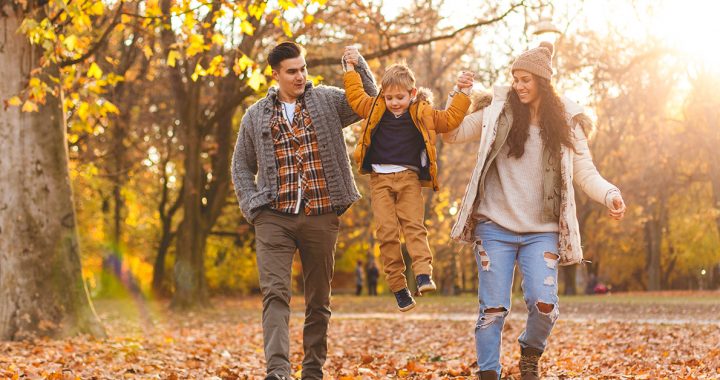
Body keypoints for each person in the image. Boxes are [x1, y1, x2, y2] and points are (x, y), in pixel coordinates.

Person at [441, 42, 626, 379]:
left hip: (542, 231)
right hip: (493, 227)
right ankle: (488, 373)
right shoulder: (497, 113)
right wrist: (460, 94)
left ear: (543, 81)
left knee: (545, 305)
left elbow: (585, 172)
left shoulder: (568, 124)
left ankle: (530, 352)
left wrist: (610, 193)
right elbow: (452, 133)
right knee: (493, 310)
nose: (518, 85)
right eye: (515, 78)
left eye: (525, 79)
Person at [231, 41, 377, 380]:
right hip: (273, 217)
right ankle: (278, 369)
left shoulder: (327, 100)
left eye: (303, 69)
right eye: (292, 71)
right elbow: (241, 165)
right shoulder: (255, 116)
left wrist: (358, 66)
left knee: (318, 300)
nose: (300, 76)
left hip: (321, 214)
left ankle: (312, 369)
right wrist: (253, 207)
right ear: (276, 74)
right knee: (275, 293)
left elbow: (369, 102)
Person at [342, 48, 473, 311]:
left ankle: (423, 275)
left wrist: (462, 92)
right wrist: (349, 70)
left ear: (412, 94)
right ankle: (399, 288)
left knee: (414, 227)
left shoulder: (422, 112)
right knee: (387, 234)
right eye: (389, 97)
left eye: (400, 97)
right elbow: (356, 98)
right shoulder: (376, 107)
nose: (394, 103)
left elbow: (448, 120)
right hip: (380, 180)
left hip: (409, 180)